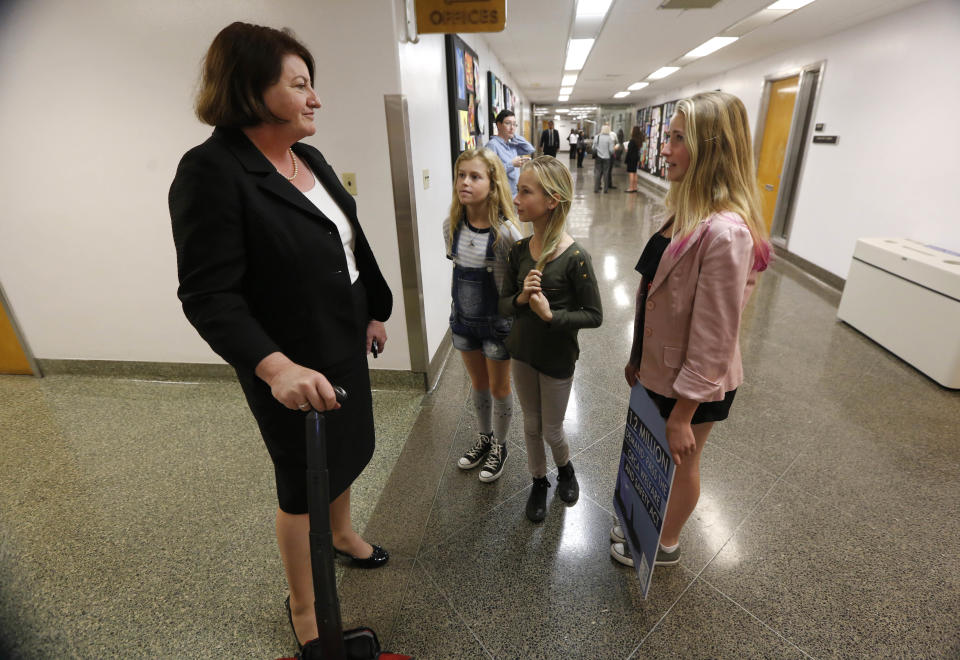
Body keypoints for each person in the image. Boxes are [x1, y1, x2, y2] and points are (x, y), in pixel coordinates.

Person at [168, 22, 393, 651]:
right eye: (299, 85)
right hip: (289, 361)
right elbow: (209, 295)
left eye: (311, 84)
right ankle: (305, 606)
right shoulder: (211, 172)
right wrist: (274, 368)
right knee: (303, 480)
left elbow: (347, 236)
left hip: (342, 338)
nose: (315, 98)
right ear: (249, 89)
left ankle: (343, 536)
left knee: (346, 449)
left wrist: (373, 307)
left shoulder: (307, 157)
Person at [610, 91, 771, 568]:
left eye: (678, 139)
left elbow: (715, 336)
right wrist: (638, 355)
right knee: (657, 457)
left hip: (694, 385)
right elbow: (655, 295)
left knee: (682, 462)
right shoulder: (687, 212)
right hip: (661, 369)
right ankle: (646, 519)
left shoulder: (727, 232)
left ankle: (666, 544)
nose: (665, 149)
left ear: (709, 147)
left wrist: (683, 413)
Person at [499, 156, 603, 523]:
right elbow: (503, 304)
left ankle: (566, 469)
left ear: (552, 200)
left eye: (525, 192)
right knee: (529, 424)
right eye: (518, 190)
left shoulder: (576, 258)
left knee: (552, 428)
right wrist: (521, 300)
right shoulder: (517, 251)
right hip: (523, 352)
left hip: (557, 357)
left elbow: (594, 316)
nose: (516, 199)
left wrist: (550, 315)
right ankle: (538, 480)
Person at [443, 148, 523, 482]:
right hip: (463, 323)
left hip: (495, 325)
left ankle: (500, 445)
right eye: (462, 175)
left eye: (475, 176)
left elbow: (513, 284)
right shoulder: (452, 227)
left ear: (492, 185)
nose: (465, 182)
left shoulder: (506, 234)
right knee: (478, 384)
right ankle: (484, 436)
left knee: (499, 386)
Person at [486, 109, 535, 196]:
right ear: (499, 125)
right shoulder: (492, 145)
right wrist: (511, 164)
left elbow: (530, 149)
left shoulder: (511, 144)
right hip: (502, 195)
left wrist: (514, 136)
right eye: (508, 123)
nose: (512, 127)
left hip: (515, 192)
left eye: (514, 124)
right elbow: (489, 172)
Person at [592, 125, 618, 193]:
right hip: (607, 158)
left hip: (598, 157)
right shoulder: (609, 138)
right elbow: (611, 150)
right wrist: (614, 149)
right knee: (606, 173)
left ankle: (596, 188)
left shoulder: (597, 137)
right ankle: (605, 189)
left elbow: (593, 148)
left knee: (598, 172)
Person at [624, 125, 642, 193]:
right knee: (635, 173)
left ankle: (631, 188)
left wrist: (627, 149)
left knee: (631, 173)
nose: (631, 131)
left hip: (631, 158)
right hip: (636, 158)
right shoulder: (639, 140)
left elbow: (630, 150)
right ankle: (635, 187)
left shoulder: (632, 140)